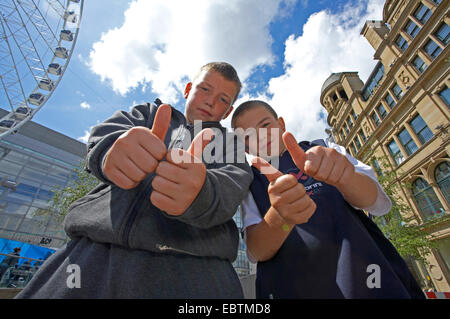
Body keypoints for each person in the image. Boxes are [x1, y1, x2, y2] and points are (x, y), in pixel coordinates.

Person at [16, 62, 253, 298]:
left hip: (196, 268)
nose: (211, 101)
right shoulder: (149, 114)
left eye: (223, 99)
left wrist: (202, 192)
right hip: (92, 253)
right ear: (188, 89)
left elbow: (231, 187)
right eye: (205, 89)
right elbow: (107, 132)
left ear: (228, 112)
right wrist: (111, 151)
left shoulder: (231, 145)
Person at [231, 100, 425, 299]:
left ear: (281, 124)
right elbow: (257, 251)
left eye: (265, 125)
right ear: (246, 148)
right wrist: (281, 217)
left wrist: (345, 176)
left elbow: (376, 203)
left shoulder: (324, 149)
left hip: (367, 279)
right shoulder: (250, 182)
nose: (261, 136)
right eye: (249, 136)